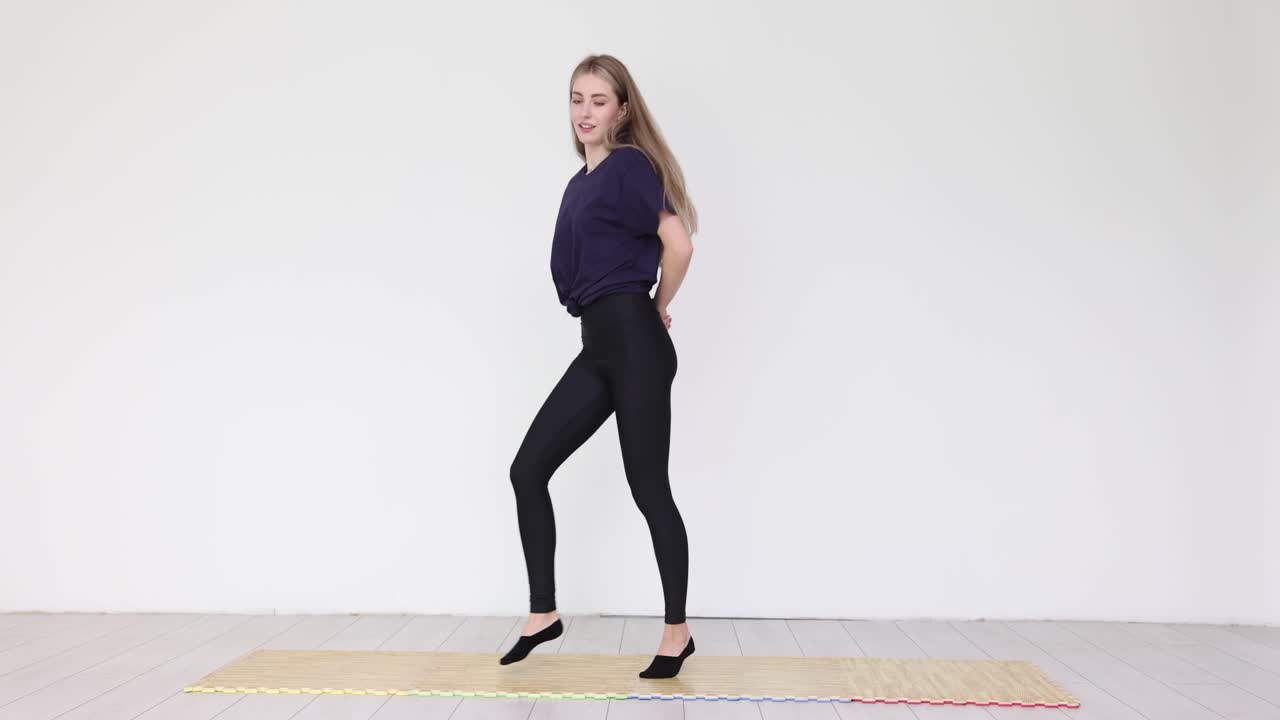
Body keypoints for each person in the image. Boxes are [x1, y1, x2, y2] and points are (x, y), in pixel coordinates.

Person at [500, 54, 698, 679]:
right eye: (576, 99)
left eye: (598, 101)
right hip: (598, 347)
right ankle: (543, 614)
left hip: (635, 343)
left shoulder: (631, 167)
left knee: (649, 490)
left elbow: (679, 243)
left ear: (623, 109)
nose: (585, 112)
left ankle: (676, 633)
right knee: (527, 469)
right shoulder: (578, 183)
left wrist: (659, 307)